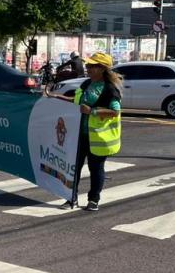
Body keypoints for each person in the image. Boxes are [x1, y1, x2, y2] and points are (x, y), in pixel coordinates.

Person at [49, 52, 122, 211]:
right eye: (88, 65)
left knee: (95, 169)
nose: (87, 68)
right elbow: (77, 102)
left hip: (98, 138)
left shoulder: (110, 89)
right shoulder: (86, 84)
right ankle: (71, 199)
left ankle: (93, 200)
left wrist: (93, 111)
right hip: (78, 136)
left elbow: (115, 111)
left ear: (102, 69)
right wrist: (55, 96)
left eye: (91, 66)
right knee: (74, 168)